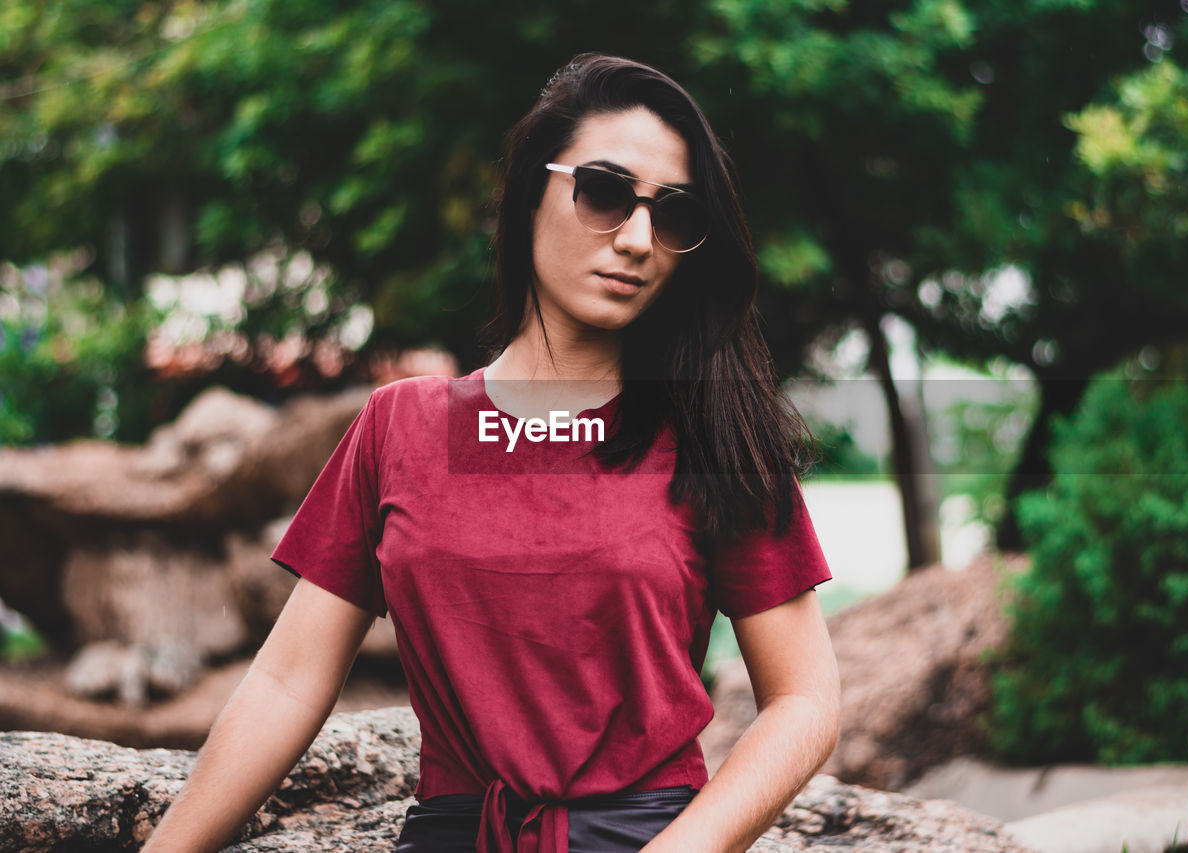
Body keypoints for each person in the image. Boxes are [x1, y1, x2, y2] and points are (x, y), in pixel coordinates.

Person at [142, 54, 839, 853]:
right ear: (530, 193)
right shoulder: (400, 427)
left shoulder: (715, 432)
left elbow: (805, 699)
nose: (639, 239)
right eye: (604, 193)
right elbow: (286, 681)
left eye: (673, 214)